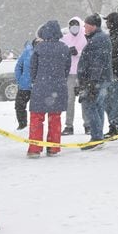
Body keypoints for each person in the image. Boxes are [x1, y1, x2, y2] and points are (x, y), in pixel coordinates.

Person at [28, 20, 70, 158]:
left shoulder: (39, 48)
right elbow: (66, 69)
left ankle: (35, 149)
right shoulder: (64, 48)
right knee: (55, 118)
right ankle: (53, 148)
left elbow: (33, 68)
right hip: (58, 87)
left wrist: (36, 80)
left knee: (36, 118)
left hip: (41, 86)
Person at [75, 14, 112, 150]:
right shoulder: (98, 39)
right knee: (98, 107)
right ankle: (98, 137)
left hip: (97, 80)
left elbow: (97, 62)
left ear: (93, 26)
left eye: (86, 24)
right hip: (99, 79)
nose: (84, 27)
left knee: (91, 106)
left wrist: (91, 82)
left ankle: (96, 138)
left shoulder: (98, 40)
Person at [61, 16, 87, 136]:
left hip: (83, 72)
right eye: (71, 26)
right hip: (69, 73)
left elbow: (89, 53)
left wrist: (78, 53)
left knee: (85, 99)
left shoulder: (86, 37)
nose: (74, 28)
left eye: (76, 25)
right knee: (69, 100)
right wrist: (67, 52)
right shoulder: (65, 38)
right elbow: (61, 53)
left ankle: (88, 124)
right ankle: (69, 125)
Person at [12, 37, 37, 130]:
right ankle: (22, 125)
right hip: (24, 86)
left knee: (36, 109)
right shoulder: (27, 52)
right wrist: (20, 80)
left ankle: (35, 126)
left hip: (38, 87)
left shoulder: (44, 52)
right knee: (19, 106)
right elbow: (18, 66)